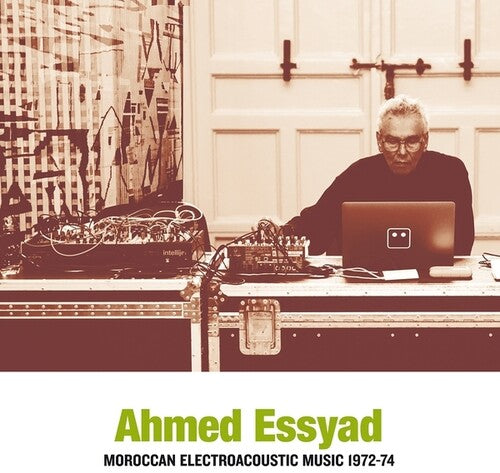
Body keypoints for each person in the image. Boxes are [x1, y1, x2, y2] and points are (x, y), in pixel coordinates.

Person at [285, 94, 475, 255]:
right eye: (392, 141)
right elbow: (317, 225)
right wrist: (281, 234)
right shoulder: (358, 175)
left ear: (425, 140)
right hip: (367, 280)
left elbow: (463, 243)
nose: (402, 152)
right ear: (379, 140)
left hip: (432, 278)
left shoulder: (451, 173)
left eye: (411, 141)